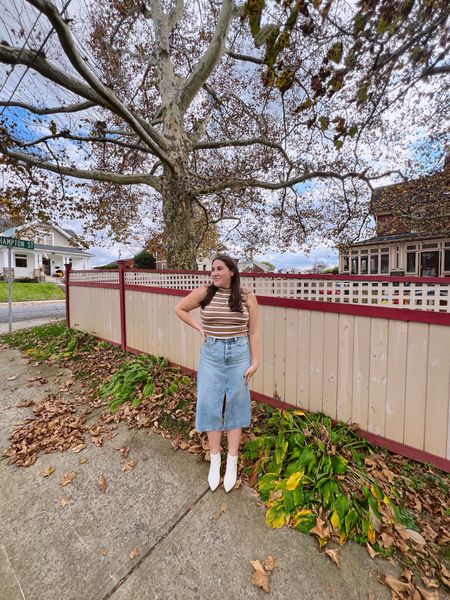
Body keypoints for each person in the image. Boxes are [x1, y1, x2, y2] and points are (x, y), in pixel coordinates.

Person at [175, 255, 260, 492]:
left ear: (232, 271)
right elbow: (180, 308)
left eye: (219, 268)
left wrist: (256, 361)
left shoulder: (247, 296)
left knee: (236, 402)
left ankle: (232, 460)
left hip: (239, 353)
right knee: (208, 403)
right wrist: (199, 328)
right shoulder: (205, 292)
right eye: (212, 269)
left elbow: (254, 333)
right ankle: (216, 458)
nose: (213, 273)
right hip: (211, 353)